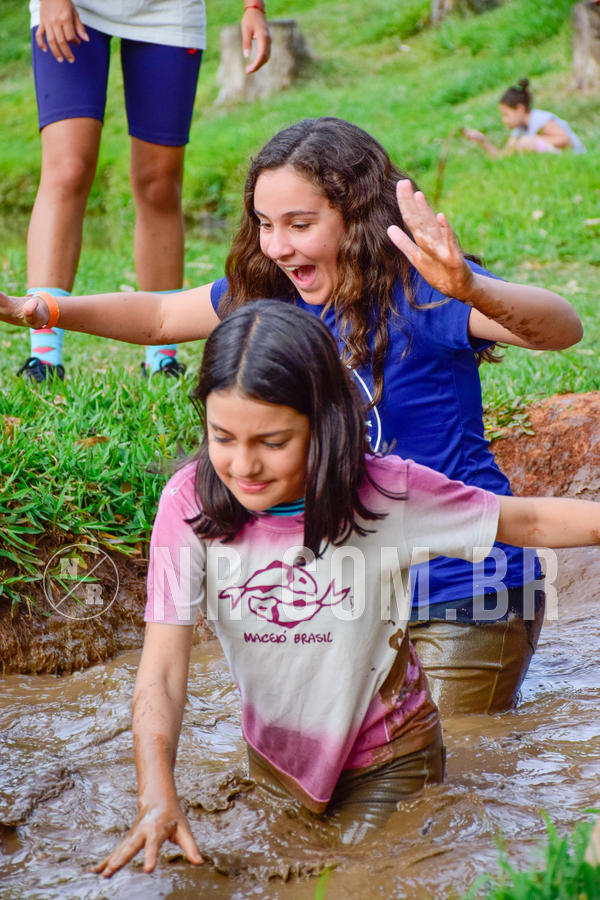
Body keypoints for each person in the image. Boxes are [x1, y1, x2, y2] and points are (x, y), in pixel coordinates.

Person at [0, 117, 583, 715]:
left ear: (356, 217)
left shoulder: (424, 293)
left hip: (465, 588)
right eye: (265, 224)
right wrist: (39, 309)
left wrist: (472, 289)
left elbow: (562, 330)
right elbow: (156, 318)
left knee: (448, 766)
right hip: (349, 593)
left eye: (300, 225)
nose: (278, 246)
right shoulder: (272, 292)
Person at [91, 301, 600, 878]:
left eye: (273, 441)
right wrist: (156, 793)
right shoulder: (189, 504)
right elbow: (160, 670)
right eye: (223, 436)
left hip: (391, 762)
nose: (244, 465)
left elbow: (524, 522)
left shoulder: (385, 493)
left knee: (351, 884)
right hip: (276, 763)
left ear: (324, 421)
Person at [18, 0, 270, 383]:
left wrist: (254, 7)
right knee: (67, 168)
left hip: (167, 10)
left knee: (159, 184)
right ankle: (45, 356)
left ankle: (161, 357)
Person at [464, 78, 585, 156]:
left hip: (573, 154)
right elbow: (502, 156)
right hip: (552, 156)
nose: (504, 120)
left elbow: (565, 139)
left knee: (525, 142)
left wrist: (532, 141)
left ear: (520, 109)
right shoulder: (520, 130)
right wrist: (482, 140)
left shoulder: (540, 119)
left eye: (506, 114)